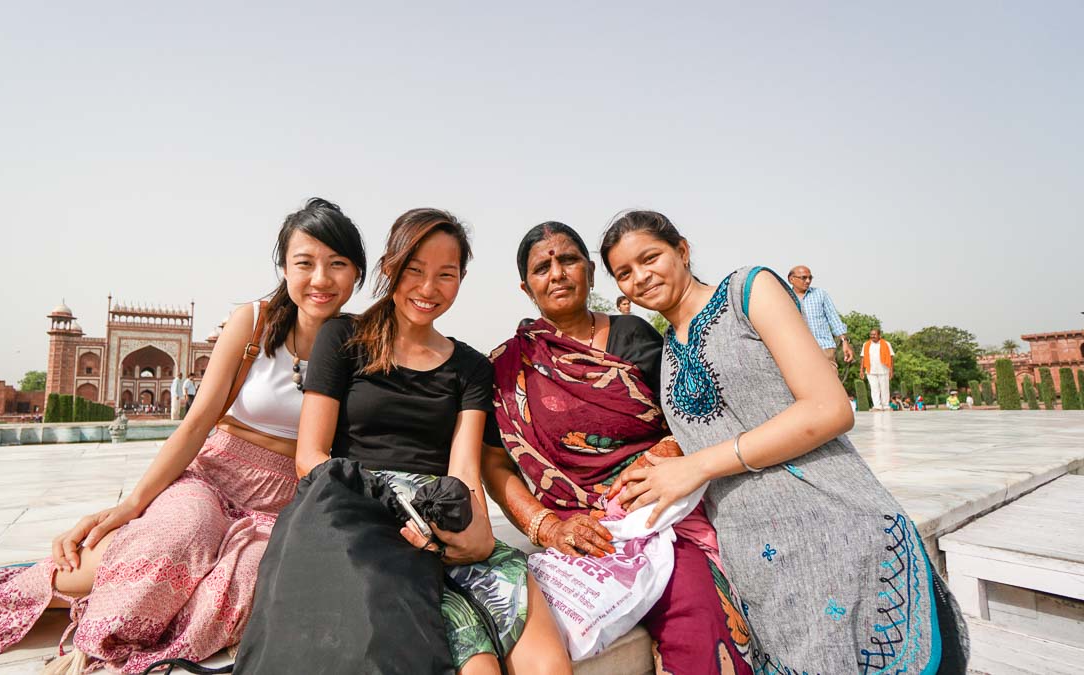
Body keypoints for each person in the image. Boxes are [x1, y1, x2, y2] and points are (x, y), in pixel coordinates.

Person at [0, 198, 368, 673]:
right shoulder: (254, 323)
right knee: (170, 543)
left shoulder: (364, 342)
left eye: (338, 264)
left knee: (240, 592)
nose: (320, 279)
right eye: (305, 263)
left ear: (357, 273)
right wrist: (133, 503)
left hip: (286, 500)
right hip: (214, 475)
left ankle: (23, 613)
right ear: (284, 265)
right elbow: (197, 423)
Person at [600, 210, 968, 674]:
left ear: (683, 249)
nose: (641, 277)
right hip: (766, 574)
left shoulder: (748, 291)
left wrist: (697, 465)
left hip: (840, 530)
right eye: (624, 273)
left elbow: (828, 409)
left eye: (649, 258)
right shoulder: (668, 356)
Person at [296, 208, 570, 674]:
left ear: (461, 279)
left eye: (446, 275)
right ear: (390, 268)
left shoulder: (470, 368)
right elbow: (310, 457)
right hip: (360, 518)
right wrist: (390, 514)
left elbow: (464, 469)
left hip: (442, 514)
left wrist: (479, 533)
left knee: (541, 652)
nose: (428, 289)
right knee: (477, 663)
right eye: (415, 271)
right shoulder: (341, 338)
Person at [483, 221, 752, 674]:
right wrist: (545, 526)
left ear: (589, 271)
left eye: (568, 260)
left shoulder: (634, 336)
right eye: (542, 267)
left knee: (698, 614)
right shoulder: (510, 365)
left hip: (655, 511)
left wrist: (663, 456)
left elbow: (690, 418)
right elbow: (492, 460)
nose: (557, 273)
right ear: (526, 287)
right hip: (576, 528)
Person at [787, 265, 853, 369]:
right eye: (804, 278)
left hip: (824, 347)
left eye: (810, 278)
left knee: (830, 381)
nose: (808, 281)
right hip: (798, 350)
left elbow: (833, 318)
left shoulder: (820, 294)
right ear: (791, 279)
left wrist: (845, 341)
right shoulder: (785, 297)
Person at [859, 328, 895, 411]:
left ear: (879, 335)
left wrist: (891, 370)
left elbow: (891, 357)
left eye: (874, 334)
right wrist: (861, 370)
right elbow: (863, 357)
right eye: (871, 334)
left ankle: (886, 406)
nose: (872, 336)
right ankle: (877, 406)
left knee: (884, 388)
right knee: (874, 388)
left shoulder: (886, 344)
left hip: (884, 370)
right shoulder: (866, 344)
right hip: (870, 370)